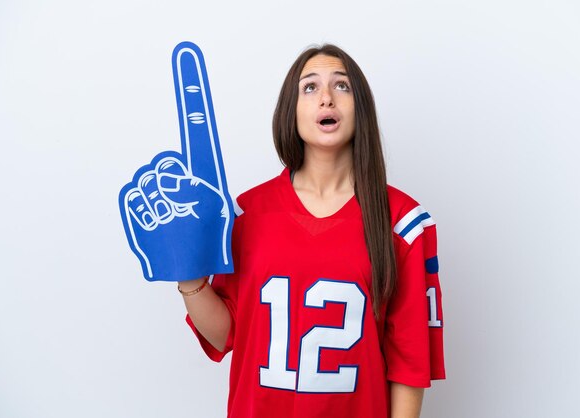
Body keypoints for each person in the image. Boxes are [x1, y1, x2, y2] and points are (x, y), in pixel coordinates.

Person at [177, 44, 445, 418]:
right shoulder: (245, 213)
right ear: (292, 111)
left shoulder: (403, 223)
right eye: (309, 87)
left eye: (342, 86)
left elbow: (410, 364)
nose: (326, 98)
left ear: (360, 108)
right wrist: (187, 274)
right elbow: (226, 335)